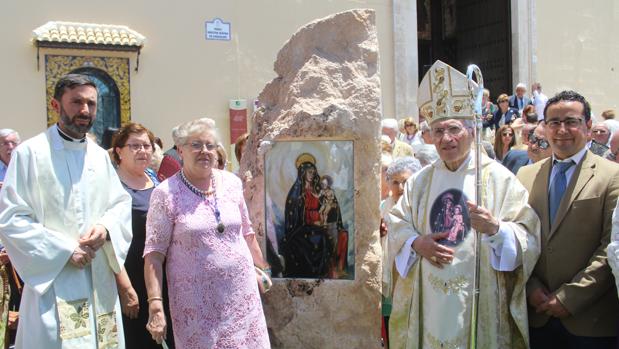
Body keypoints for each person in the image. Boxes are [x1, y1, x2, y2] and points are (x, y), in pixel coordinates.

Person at [388, 60, 540, 348]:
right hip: (428, 303)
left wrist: (497, 229)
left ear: (472, 130)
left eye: (454, 128)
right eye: (438, 131)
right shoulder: (419, 183)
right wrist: (415, 244)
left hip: (479, 303)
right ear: (429, 136)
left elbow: (528, 234)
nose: (446, 138)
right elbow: (397, 226)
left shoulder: (499, 179)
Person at [0, 74, 132, 348]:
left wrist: (106, 228)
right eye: (77, 102)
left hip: (99, 283)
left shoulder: (98, 156)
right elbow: (12, 219)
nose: (85, 110)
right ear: (55, 105)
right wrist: (65, 249)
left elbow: (119, 204)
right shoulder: (30, 154)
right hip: (53, 281)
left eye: (91, 104)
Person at [143, 118, 270, 348]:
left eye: (210, 145)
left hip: (242, 297)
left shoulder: (232, 183)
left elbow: (246, 232)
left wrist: (264, 269)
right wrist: (155, 303)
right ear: (180, 150)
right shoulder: (165, 194)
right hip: (196, 307)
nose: (204, 151)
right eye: (196, 145)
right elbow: (154, 253)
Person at [517, 90, 619, 348]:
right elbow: (518, 236)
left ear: (587, 126)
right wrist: (531, 288)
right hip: (536, 314)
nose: (562, 129)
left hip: (590, 320)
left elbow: (611, 248)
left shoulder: (611, 176)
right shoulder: (525, 175)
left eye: (571, 121)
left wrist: (569, 298)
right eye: (554, 122)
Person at [111, 123, 175, 348]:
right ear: (119, 151)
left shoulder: (156, 180)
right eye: (135, 146)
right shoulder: (112, 185)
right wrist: (125, 287)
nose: (143, 151)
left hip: (161, 275)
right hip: (131, 276)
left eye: (147, 146)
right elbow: (108, 242)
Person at [281, 153, 348, 278]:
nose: (311, 175)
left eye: (313, 172)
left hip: (320, 222)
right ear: (303, 172)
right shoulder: (296, 191)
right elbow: (294, 213)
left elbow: (330, 202)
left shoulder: (319, 187)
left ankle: (327, 273)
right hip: (302, 227)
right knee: (317, 239)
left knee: (325, 236)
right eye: (308, 172)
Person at [379, 156, 422, 349]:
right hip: (388, 275)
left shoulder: (421, 208)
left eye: (406, 181)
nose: (401, 188)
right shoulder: (382, 207)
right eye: (395, 182)